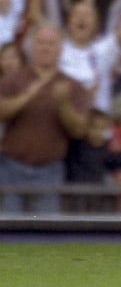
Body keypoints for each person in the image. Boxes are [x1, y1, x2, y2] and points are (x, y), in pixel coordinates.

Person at [0, 22, 91, 213]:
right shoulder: (12, 80)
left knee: (44, 235)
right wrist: (28, 95)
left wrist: (64, 105)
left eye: (51, 43)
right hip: (10, 168)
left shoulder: (73, 86)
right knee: (8, 233)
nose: (45, 48)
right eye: (41, 42)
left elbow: (79, 130)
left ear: (60, 48)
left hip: (50, 171)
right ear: (31, 46)